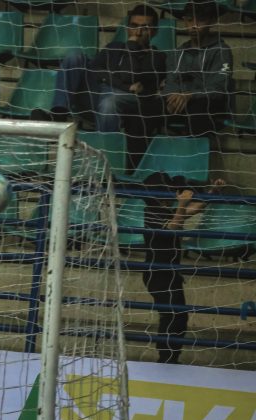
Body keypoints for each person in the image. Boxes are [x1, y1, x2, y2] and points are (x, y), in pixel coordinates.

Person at [51, 5, 166, 168]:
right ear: (127, 27)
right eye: (134, 26)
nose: (138, 33)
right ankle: (59, 115)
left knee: (109, 101)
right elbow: (96, 70)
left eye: (144, 28)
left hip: (127, 103)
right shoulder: (114, 47)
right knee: (75, 58)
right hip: (99, 94)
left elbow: (132, 75)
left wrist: (131, 48)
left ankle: (105, 163)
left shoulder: (157, 57)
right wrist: (123, 85)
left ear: (154, 31)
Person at [140, 172, 224, 364]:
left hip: (171, 273)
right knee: (171, 315)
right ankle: (166, 357)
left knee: (178, 316)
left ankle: (171, 356)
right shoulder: (151, 211)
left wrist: (213, 191)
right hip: (157, 274)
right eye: (170, 190)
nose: (174, 192)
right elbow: (173, 228)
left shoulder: (166, 209)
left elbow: (194, 209)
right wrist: (181, 204)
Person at [160, 0, 233, 137]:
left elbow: (219, 87)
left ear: (212, 21)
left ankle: (194, 154)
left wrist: (191, 95)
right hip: (180, 103)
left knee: (198, 108)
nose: (193, 26)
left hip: (207, 105)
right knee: (147, 107)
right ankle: (138, 157)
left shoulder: (221, 50)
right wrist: (171, 96)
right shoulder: (177, 52)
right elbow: (170, 81)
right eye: (189, 20)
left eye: (201, 20)